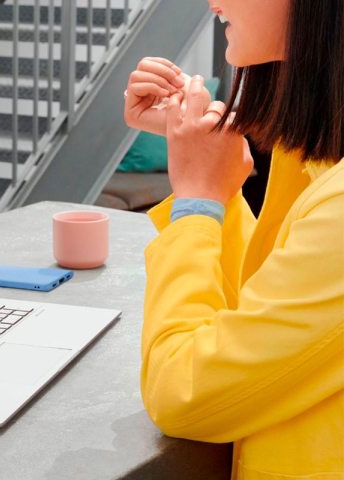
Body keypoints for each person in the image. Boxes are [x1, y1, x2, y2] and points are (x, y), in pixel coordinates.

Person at [123, 1, 343, 478]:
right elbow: (263, 302)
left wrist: (197, 204)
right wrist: (200, 167)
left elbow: (182, 392)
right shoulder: (318, 158)